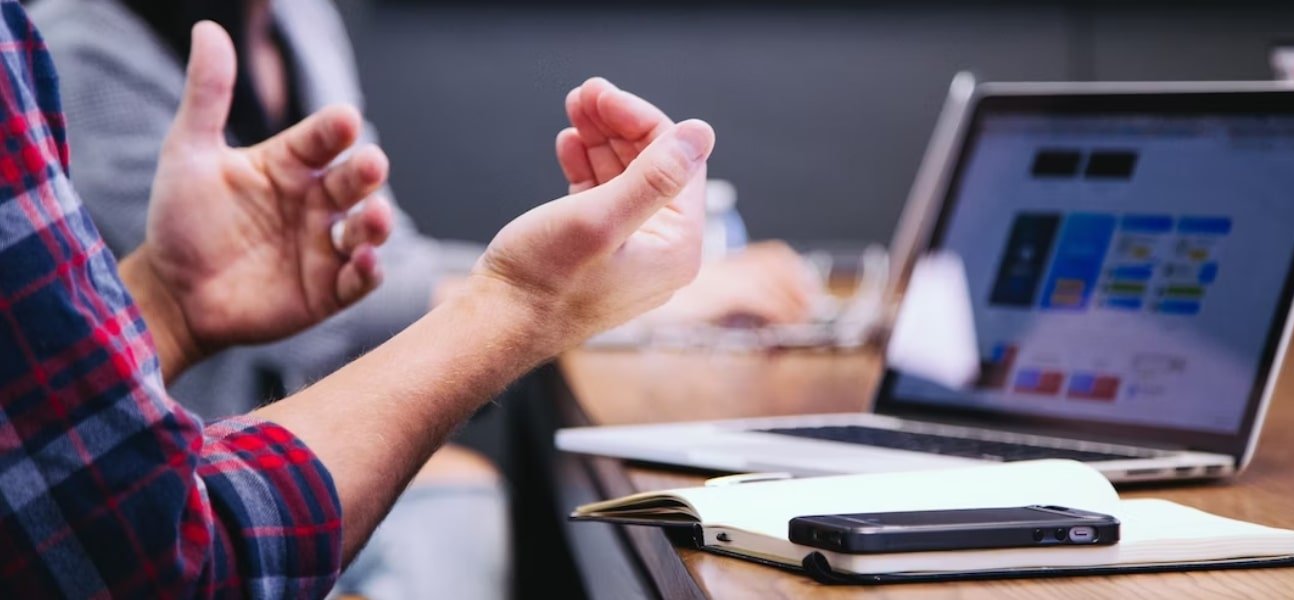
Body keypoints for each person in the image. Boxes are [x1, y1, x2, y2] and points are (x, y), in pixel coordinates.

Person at [29, 1, 818, 597]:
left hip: (226, 471)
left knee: (468, 500)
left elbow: (370, 260)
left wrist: (170, 302)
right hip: (179, 495)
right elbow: (161, 551)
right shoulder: (73, 45)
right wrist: (536, 298)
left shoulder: (297, 17)